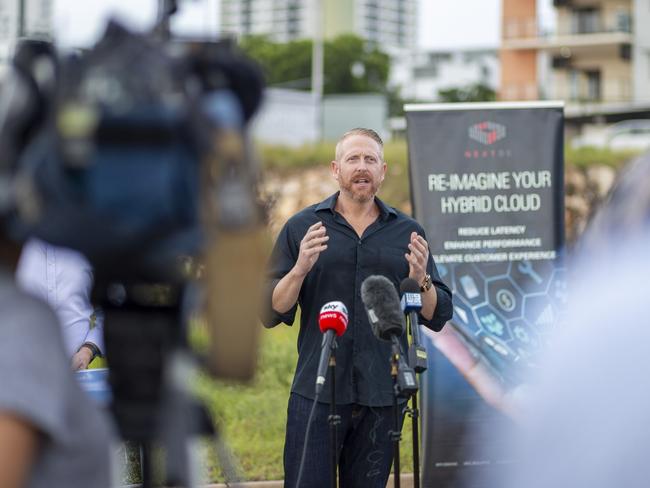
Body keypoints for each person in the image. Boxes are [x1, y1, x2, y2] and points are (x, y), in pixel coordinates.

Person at [264, 128, 453, 487]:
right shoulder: (303, 227)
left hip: (382, 396)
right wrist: (300, 268)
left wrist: (421, 278)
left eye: (370, 159)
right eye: (353, 159)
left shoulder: (408, 232)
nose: (361, 167)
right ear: (336, 169)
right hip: (316, 392)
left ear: (383, 171)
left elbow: (439, 314)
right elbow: (271, 310)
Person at [16, 238, 104, 370]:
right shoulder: (14, 245)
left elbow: (106, 306)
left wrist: (88, 350)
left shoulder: (91, 246)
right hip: (21, 367)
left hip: (79, 371)